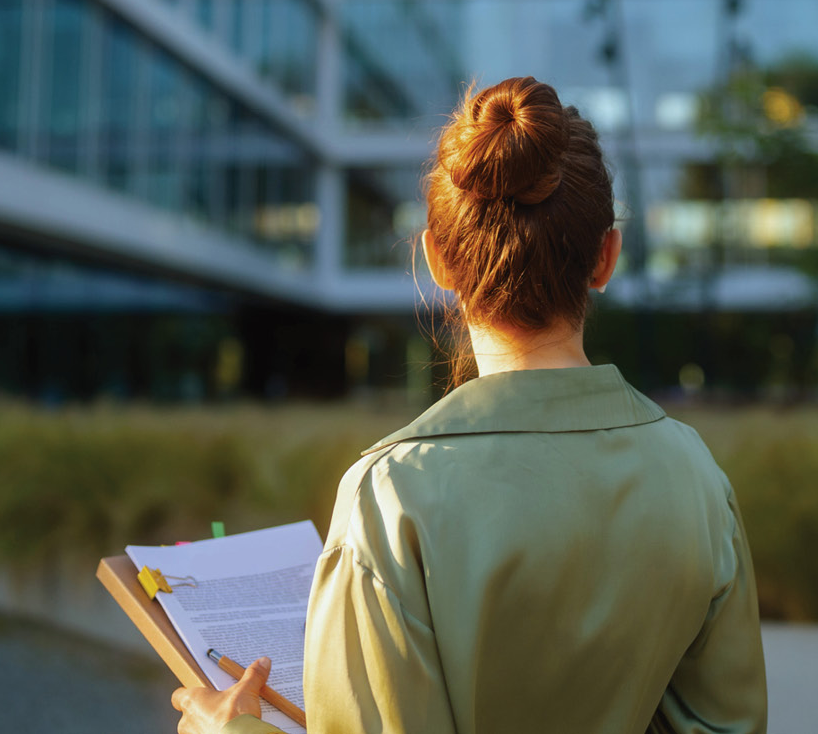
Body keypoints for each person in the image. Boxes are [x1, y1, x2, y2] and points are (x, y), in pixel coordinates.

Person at [171, 76, 768, 734]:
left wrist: (228, 729)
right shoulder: (695, 475)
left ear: (437, 261)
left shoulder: (392, 494)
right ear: (605, 257)